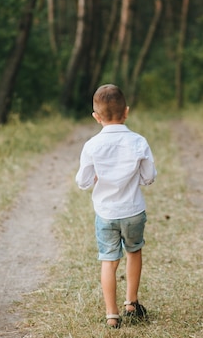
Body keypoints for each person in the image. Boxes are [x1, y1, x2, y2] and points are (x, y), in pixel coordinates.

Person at [75, 84, 157, 329]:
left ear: (96, 117)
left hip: (106, 213)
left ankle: (112, 314)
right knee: (134, 252)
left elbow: (82, 181)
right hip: (133, 210)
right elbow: (149, 176)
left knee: (109, 261)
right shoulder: (139, 142)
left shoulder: (92, 146)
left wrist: (98, 178)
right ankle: (131, 303)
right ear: (127, 112)